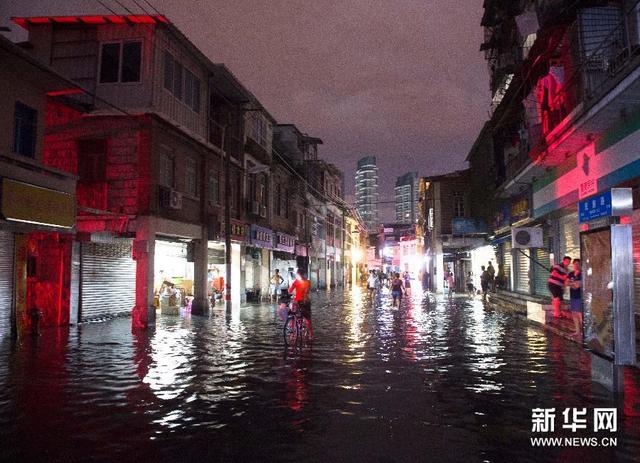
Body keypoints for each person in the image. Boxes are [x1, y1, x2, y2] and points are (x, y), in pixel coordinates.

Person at [288, 269, 313, 339]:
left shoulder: (296, 282)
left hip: (297, 301)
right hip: (305, 301)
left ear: (298, 274)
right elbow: (307, 291)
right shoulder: (308, 282)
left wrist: (290, 291)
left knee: (293, 314)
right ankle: (311, 334)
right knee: (308, 318)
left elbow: (290, 291)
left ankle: (292, 330)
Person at [567, 259, 582, 337]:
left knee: (580, 314)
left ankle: (584, 331)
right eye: (575, 264)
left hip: (580, 296)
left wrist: (571, 283)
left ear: (580, 264)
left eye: (577, 264)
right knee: (574, 314)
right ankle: (577, 331)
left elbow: (578, 285)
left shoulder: (582, 274)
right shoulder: (571, 273)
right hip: (573, 296)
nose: (576, 265)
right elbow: (566, 283)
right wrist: (573, 283)